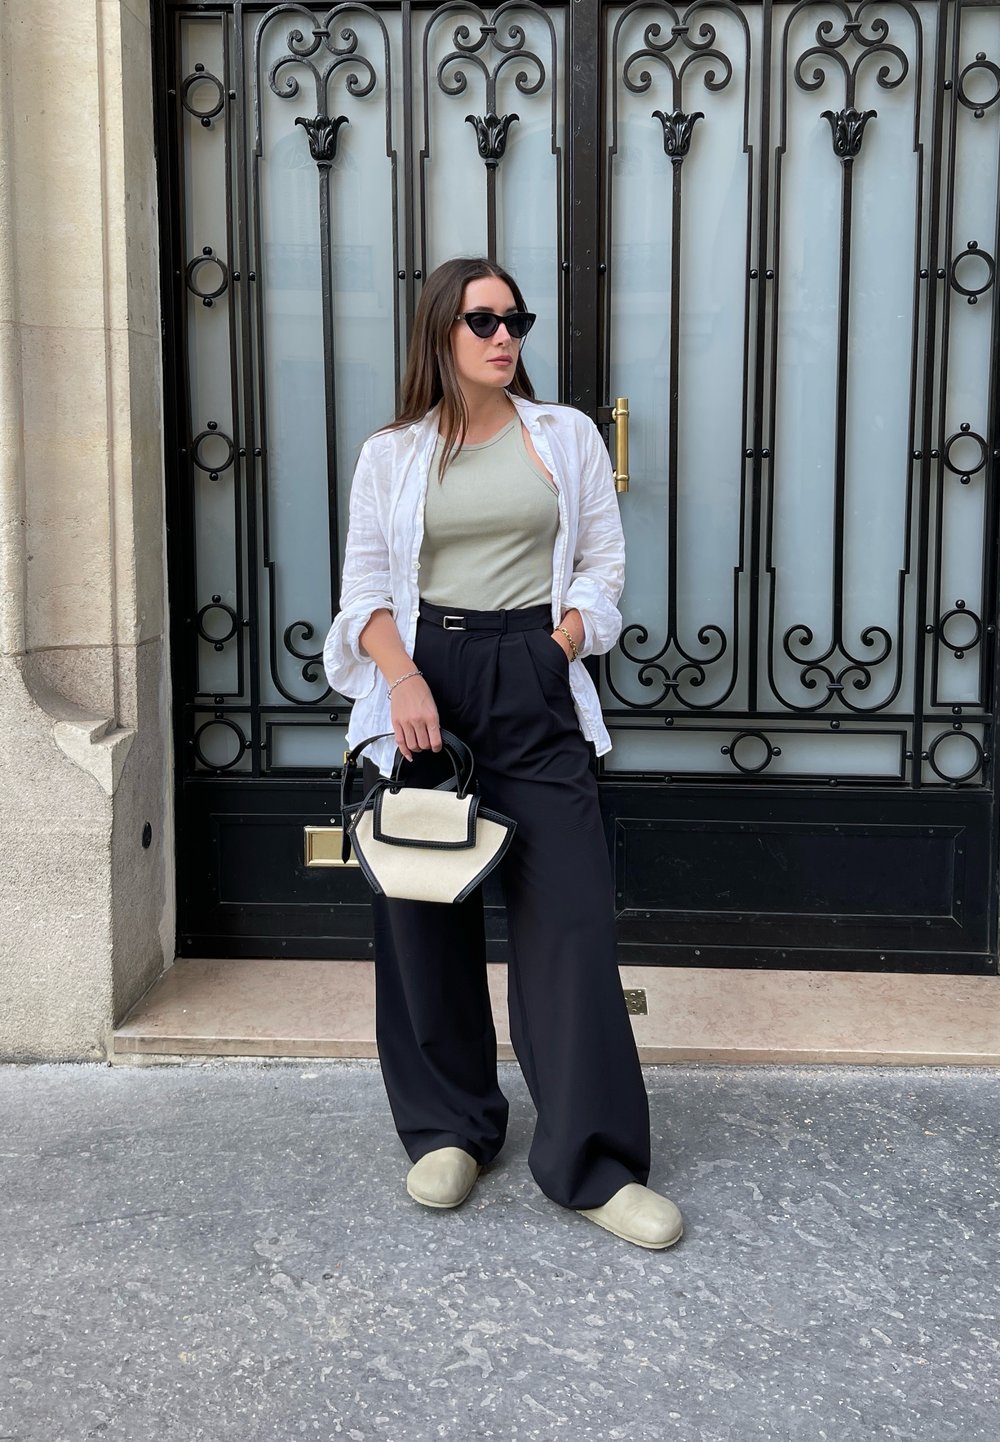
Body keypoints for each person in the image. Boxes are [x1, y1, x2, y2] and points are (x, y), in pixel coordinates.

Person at [323, 257, 682, 1249]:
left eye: (514, 318)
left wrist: (560, 643)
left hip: (530, 673)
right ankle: (448, 1126)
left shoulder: (560, 436)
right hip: (426, 675)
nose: (502, 334)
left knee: (571, 918)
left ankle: (593, 1161)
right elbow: (364, 592)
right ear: (441, 331)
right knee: (421, 910)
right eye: (481, 319)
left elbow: (603, 564)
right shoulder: (393, 454)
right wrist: (399, 679)